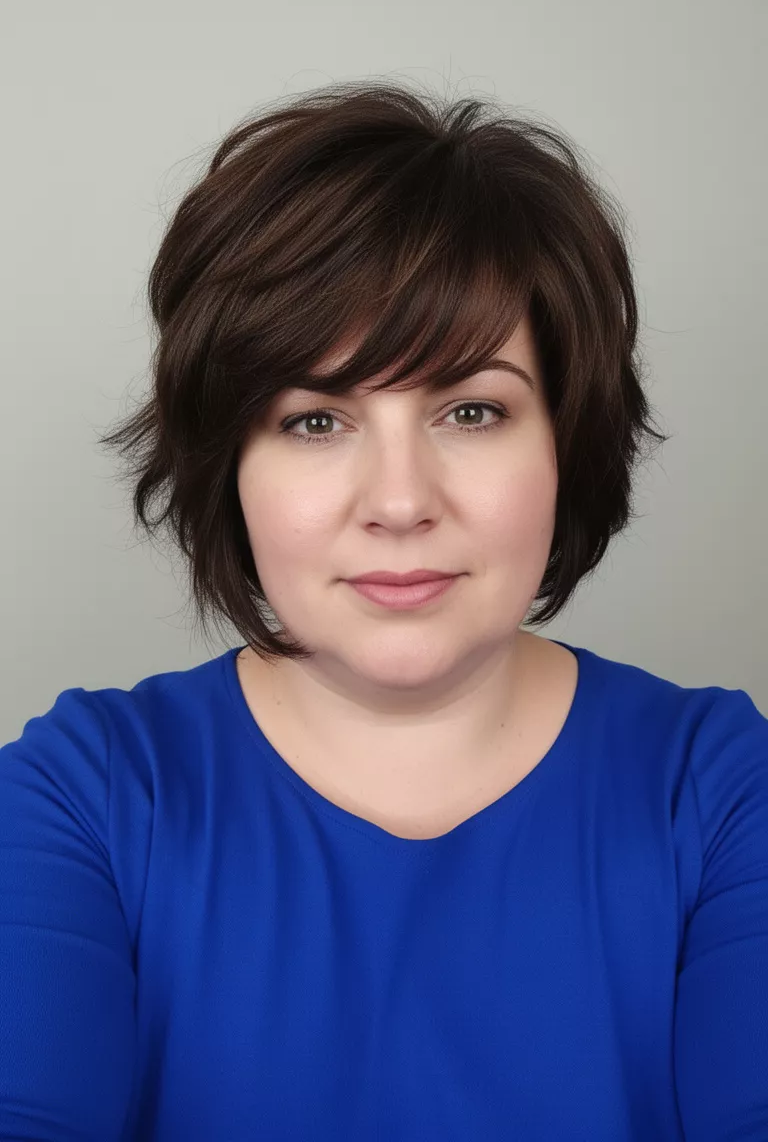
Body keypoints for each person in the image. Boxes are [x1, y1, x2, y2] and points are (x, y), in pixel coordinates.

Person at [1, 79, 766, 1140]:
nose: (401, 503)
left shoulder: (723, 791)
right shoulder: (80, 796)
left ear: (567, 442)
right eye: (315, 420)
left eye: (470, 409)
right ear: (228, 464)